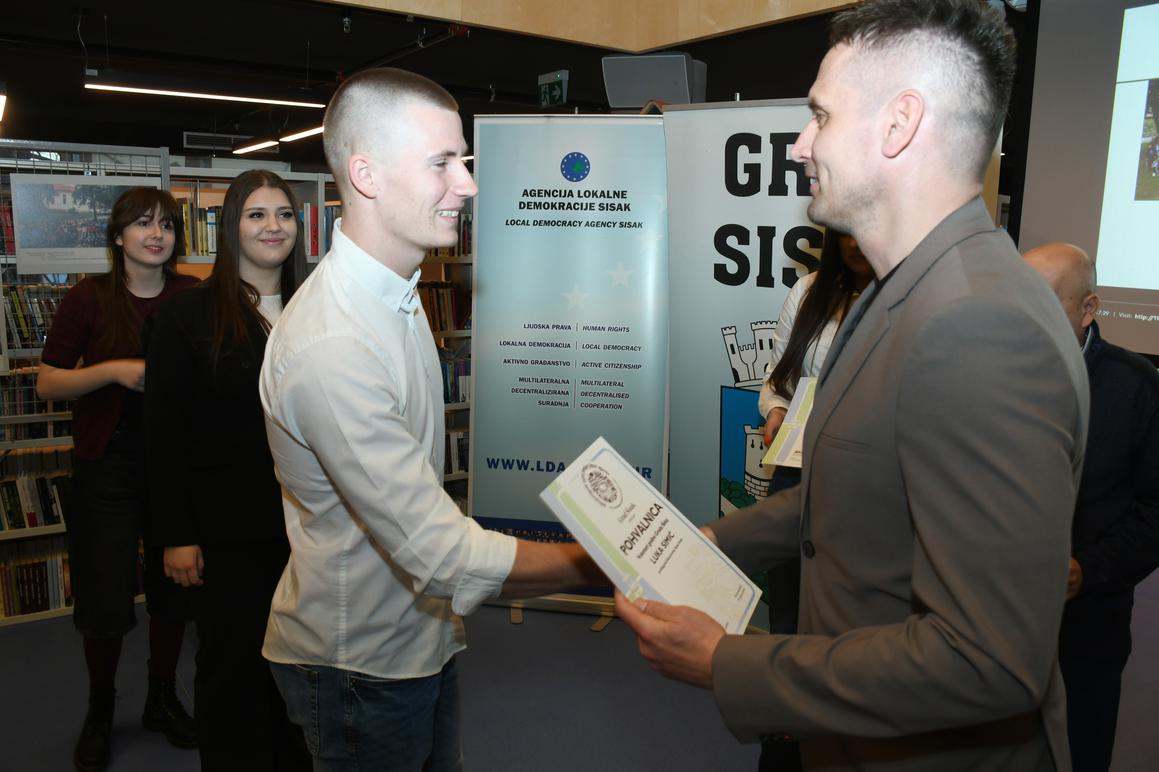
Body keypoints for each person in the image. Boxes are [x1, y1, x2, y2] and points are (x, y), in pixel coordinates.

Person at [615, 1, 1090, 770]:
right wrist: (709, 542)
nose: (800, 145)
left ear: (898, 124)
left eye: (819, 115)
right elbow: (857, 489)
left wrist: (728, 663)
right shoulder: (902, 291)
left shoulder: (974, 325)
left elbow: (988, 661)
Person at [258, 67, 603, 771]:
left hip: (418, 639)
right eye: (442, 162)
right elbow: (441, 553)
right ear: (367, 174)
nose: (469, 184)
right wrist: (603, 564)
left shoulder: (398, 291)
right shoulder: (333, 345)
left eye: (465, 161)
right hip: (360, 665)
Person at [145, 170, 312, 771]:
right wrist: (177, 534)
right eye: (257, 215)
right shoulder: (187, 315)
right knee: (232, 670)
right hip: (224, 533)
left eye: (285, 215)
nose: (273, 227)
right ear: (231, 227)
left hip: (309, 529)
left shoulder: (316, 308)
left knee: (297, 670)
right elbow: (162, 435)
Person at [37, 188, 198, 772]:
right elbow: (47, 384)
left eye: (167, 226)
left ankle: (161, 697)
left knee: (175, 593)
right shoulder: (88, 298)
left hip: (175, 468)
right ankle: (100, 709)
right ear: (117, 236)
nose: (156, 234)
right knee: (104, 600)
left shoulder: (192, 296)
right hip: (106, 465)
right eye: (142, 224)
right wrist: (114, 371)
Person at [1023, 242, 1159, 772]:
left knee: (1075, 754)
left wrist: (1089, 570)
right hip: (990, 620)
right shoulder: (984, 373)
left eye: (1045, 302)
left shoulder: (1136, 389)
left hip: (1086, 628)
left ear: (1089, 308)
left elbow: (1155, 510)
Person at [755, 228, 871, 772]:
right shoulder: (807, 293)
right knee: (789, 611)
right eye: (843, 230)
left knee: (851, 620)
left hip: (868, 488)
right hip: (797, 475)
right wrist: (776, 414)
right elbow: (778, 379)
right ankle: (784, 736)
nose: (854, 240)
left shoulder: (908, 295)